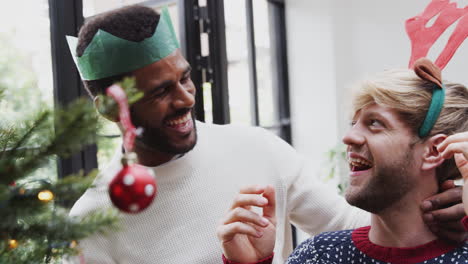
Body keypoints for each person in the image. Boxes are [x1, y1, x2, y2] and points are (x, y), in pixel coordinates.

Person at [63, 5, 465, 264]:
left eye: (185, 79)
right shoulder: (90, 221)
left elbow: (361, 227)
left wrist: (445, 201)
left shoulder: (255, 148)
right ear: (111, 108)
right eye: (161, 92)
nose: (186, 99)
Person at [218, 59, 468, 264]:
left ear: (434, 151)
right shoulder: (317, 257)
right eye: (353, 123)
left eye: (375, 123)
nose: (348, 137)